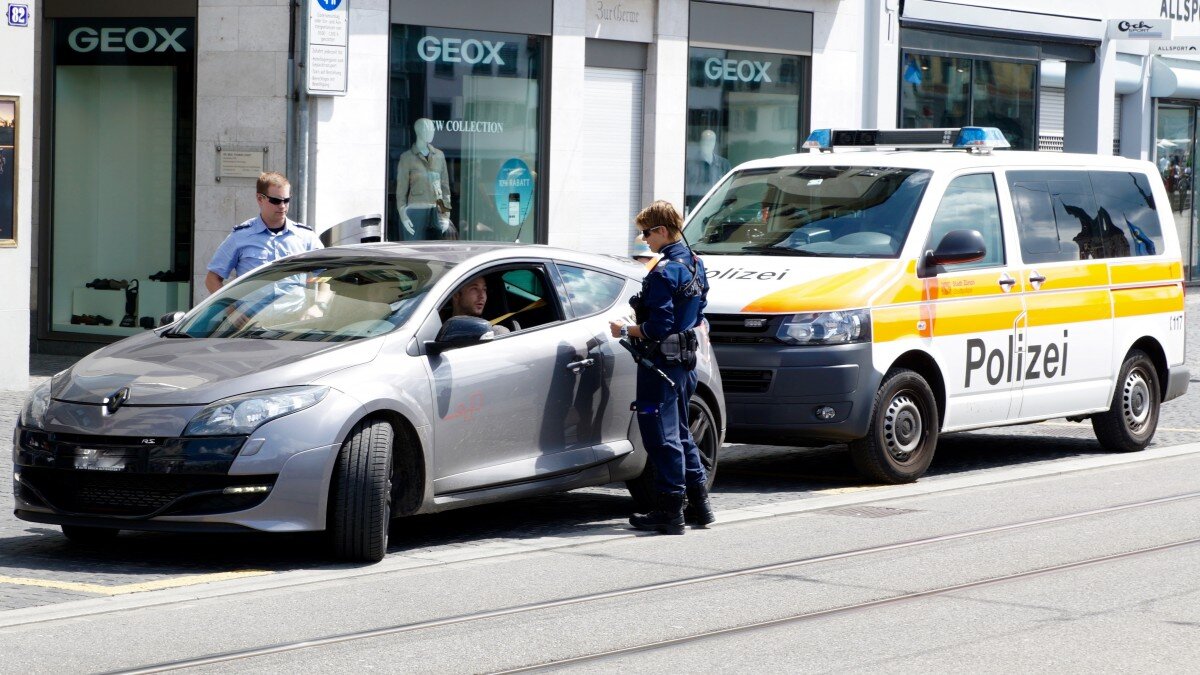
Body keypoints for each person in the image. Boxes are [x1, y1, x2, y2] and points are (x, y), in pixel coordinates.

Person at [609, 201, 713, 535]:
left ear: (662, 231)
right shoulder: (695, 263)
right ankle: (700, 504)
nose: (645, 240)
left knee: (661, 436)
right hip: (684, 363)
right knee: (681, 432)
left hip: (659, 364)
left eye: (646, 233)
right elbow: (699, 312)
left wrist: (625, 330)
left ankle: (670, 511)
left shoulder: (665, 270)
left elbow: (658, 326)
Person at [205, 172, 322, 294]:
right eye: (276, 201)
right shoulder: (240, 236)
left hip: (293, 312)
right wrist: (233, 310)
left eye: (286, 200)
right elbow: (212, 279)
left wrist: (318, 305)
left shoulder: (306, 237)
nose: (282, 206)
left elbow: (327, 274)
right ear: (260, 199)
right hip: (253, 313)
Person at [396, 118, 453, 241]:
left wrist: (446, 215)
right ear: (419, 131)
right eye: (429, 129)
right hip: (416, 212)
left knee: (436, 251)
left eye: (433, 129)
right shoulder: (407, 158)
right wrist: (404, 216)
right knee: (415, 250)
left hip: (436, 211)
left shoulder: (439, 156)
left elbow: (445, 189)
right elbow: (401, 192)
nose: (432, 132)